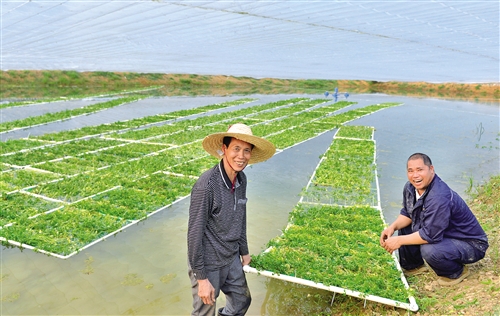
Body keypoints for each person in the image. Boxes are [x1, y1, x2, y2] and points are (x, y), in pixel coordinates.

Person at [187, 123, 276, 316]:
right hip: (208, 262)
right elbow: (194, 234)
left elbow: (240, 217)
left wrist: (244, 251)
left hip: (231, 256)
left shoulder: (241, 179)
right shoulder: (207, 186)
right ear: (224, 149)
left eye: (246, 150)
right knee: (204, 312)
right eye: (236, 149)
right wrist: (201, 279)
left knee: (242, 300)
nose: (241, 156)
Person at [380, 153, 489, 286]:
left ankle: (456, 272)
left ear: (431, 169)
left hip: (471, 244)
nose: (415, 175)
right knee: (408, 224)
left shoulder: (439, 196)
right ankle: (413, 266)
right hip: (445, 234)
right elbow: (408, 213)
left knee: (430, 250)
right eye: (410, 171)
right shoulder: (410, 188)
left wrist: (398, 240)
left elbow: (430, 235)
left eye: (420, 170)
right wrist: (392, 227)